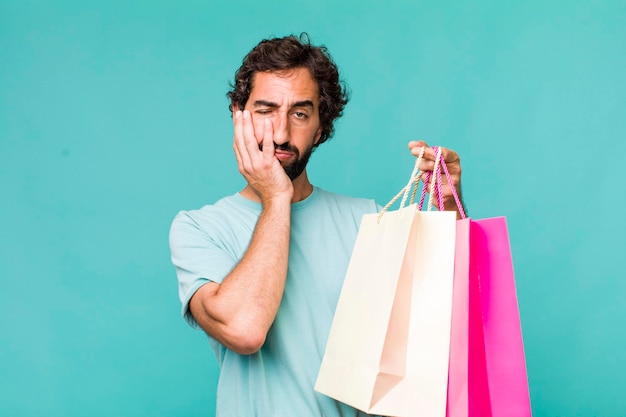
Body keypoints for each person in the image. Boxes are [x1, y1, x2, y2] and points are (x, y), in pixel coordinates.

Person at [169, 33, 464, 417]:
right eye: (265, 110)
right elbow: (244, 329)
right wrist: (277, 196)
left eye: (300, 113)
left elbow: (443, 328)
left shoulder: (370, 221)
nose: (280, 132)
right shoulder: (198, 228)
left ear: (321, 128)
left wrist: (449, 209)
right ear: (238, 116)